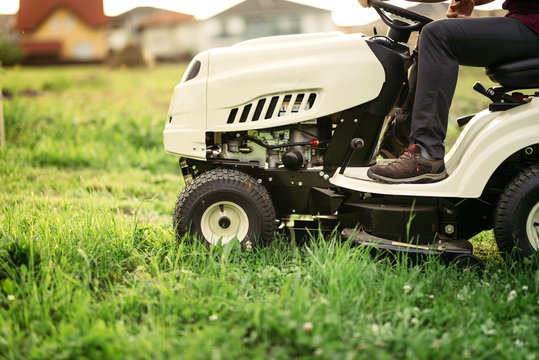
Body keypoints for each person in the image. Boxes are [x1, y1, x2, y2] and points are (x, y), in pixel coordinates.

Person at [357, 0, 539, 183]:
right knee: (430, 35)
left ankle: (427, 154)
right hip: (526, 22)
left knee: (438, 35)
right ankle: (401, 139)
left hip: (533, 26)